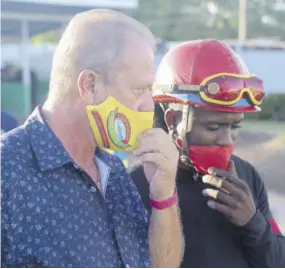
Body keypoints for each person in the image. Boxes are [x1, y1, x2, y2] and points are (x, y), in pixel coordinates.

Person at [1, 9, 184, 268]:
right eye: (139, 90)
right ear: (90, 85)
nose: (148, 107)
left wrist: (164, 195)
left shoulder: (115, 172)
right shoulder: (7, 171)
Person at [131, 39, 285, 267]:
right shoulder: (134, 185)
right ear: (172, 120)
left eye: (235, 126)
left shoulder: (246, 176)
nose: (226, 139)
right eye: (213, 127)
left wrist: (253, 223)